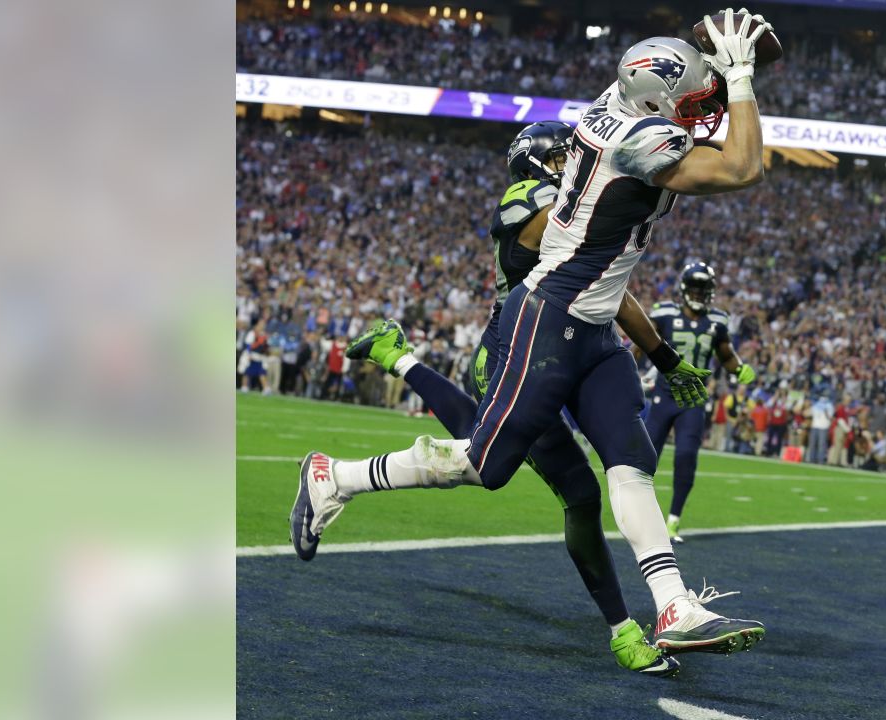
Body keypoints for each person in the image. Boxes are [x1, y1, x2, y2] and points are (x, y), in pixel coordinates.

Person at [295, 14, 774, 658]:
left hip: (596, 328)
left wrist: (712, 63)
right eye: (692, 101)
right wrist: (740, 78)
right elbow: (744, 167)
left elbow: (668, 79)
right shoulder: (636, 138)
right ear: (658, 99)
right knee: (485, 466)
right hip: (547, 316)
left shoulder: (624, 100)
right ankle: (338, 476)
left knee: (629, 461)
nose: (702, 109)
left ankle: (674, 606)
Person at [343, 121, 709, 676]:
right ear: (537, 162)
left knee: (606, 472)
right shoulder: (529, 197)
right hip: (516, 348)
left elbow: (612, 287)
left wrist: (664, 357)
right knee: (503, 466)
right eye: (565, 155)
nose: (576, 161)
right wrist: (623, 181)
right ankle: (354, 452)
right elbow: (558, 227)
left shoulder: (580, 213)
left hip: (577, 344)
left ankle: (648, 618)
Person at [635, 263, 755, 543]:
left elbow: (726, 354)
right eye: (696, 289)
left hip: (694, 400)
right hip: (664, 395)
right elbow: (640, 343)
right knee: (645, 458)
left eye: (705, 291)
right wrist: (628, 367)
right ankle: (640, 516)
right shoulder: (664, 313)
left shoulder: (717, 320)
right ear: (685, 289)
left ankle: (673, 521)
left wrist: (739, 368)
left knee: (686, 456)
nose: (700, 295)